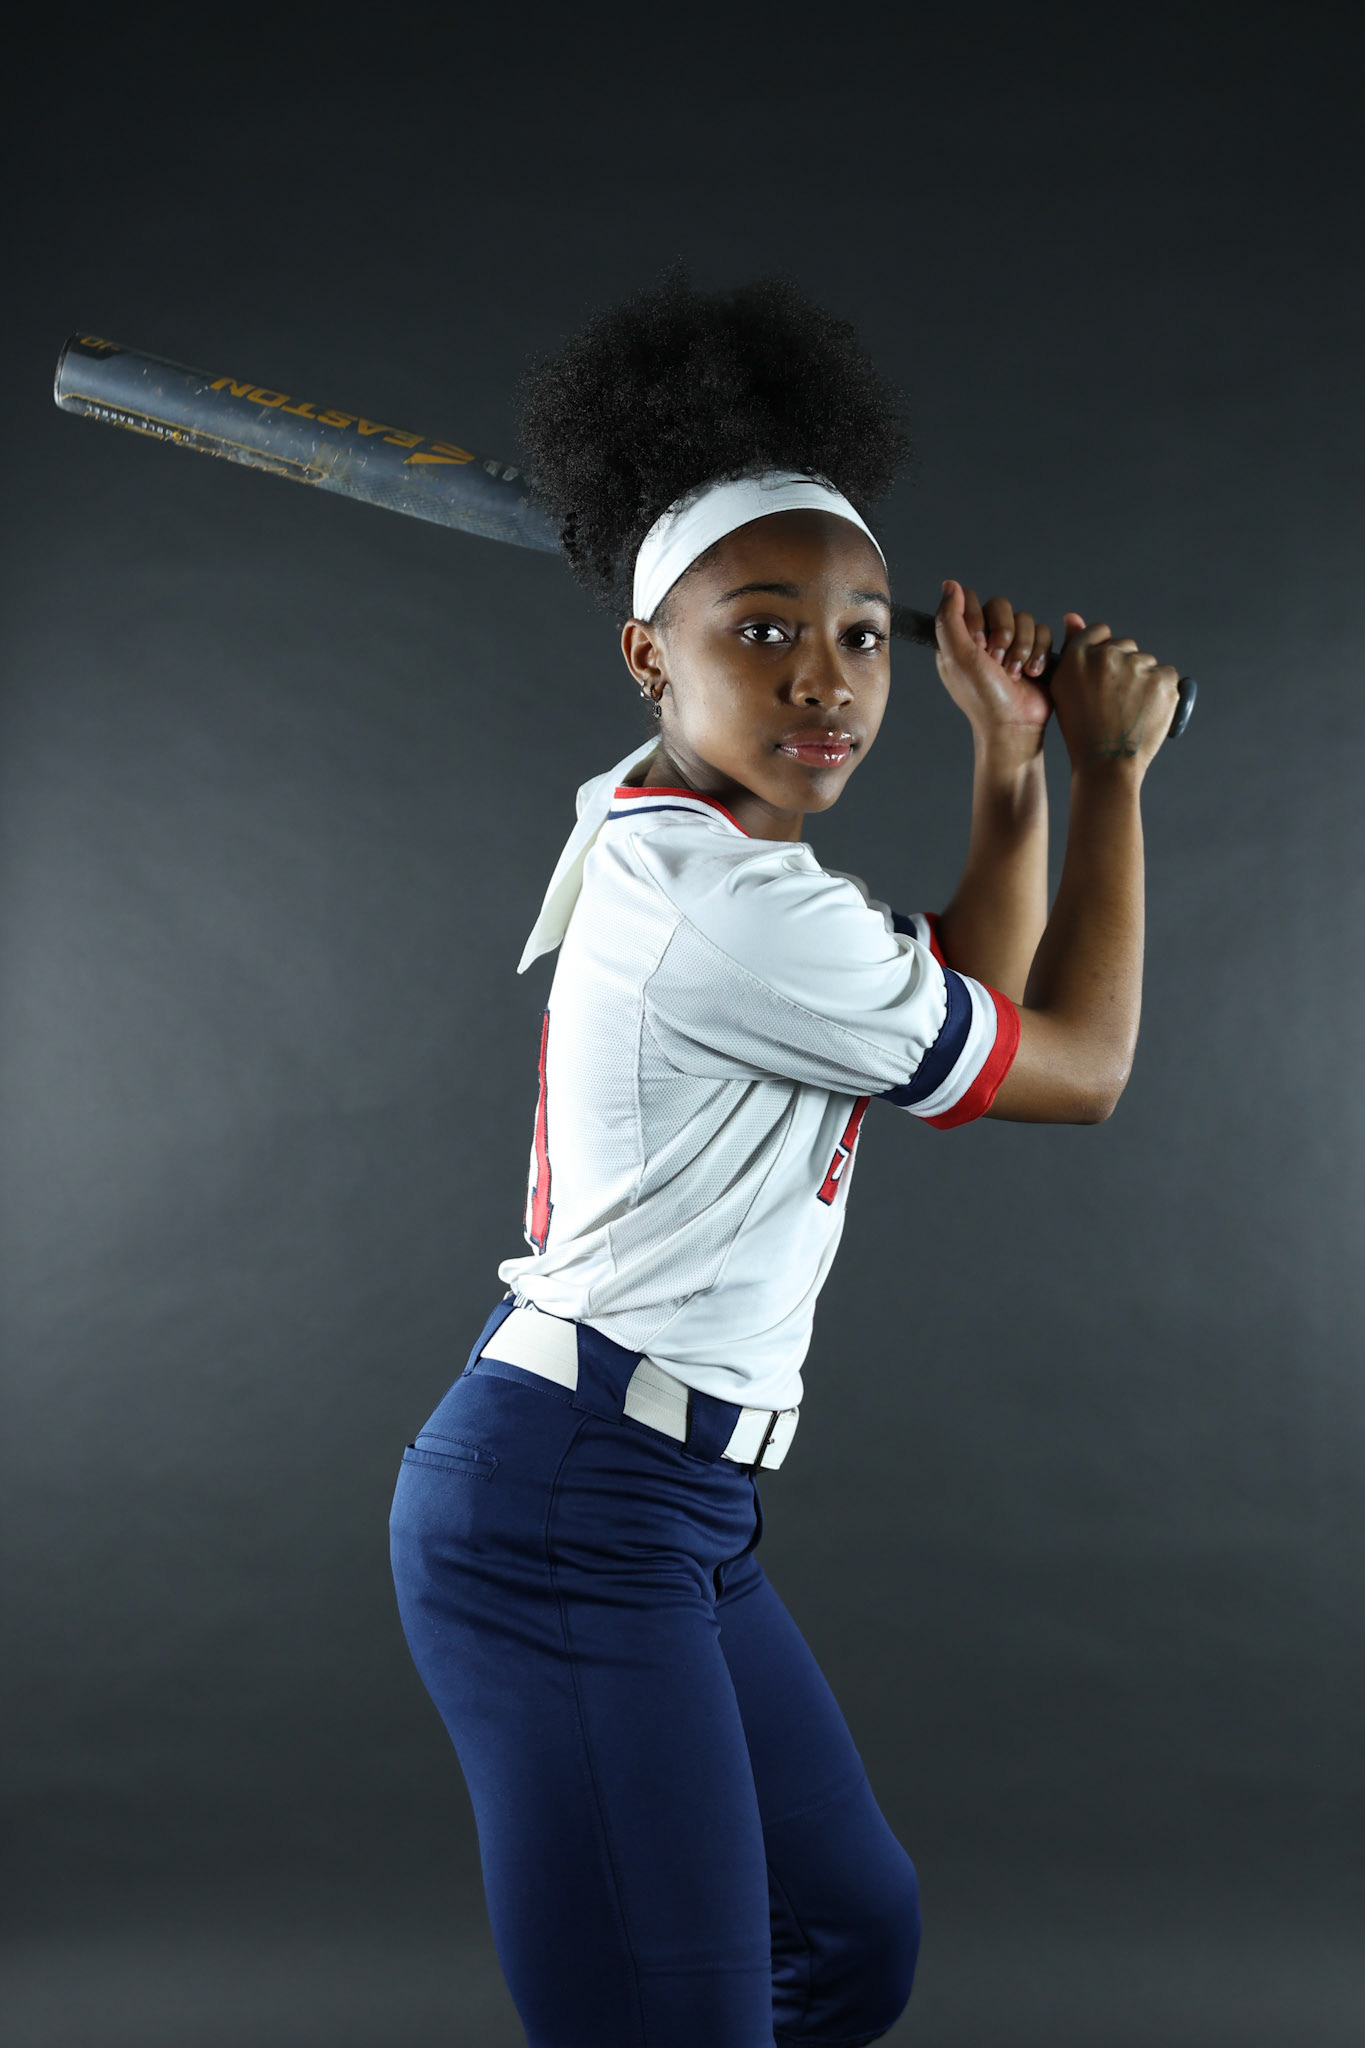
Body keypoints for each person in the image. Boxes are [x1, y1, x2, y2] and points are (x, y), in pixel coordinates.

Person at [388, 270, 1180, 2048]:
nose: (823, 683)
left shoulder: (689, 838)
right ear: (643, 653)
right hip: (565, 1506)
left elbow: (957, 1001)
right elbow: (1078, 1067)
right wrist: (1114, 778)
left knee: (849, 1940)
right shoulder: (729, 906)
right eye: (758, 630)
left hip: (672, 1506)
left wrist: (1005, 756)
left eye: (861, 634)